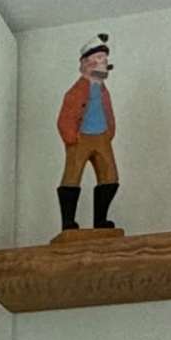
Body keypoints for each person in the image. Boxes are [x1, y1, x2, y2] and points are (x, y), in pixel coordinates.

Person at [57, 37, 118, 232]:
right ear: (86, 62)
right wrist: (70, 136)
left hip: (101, 137)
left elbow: (108, 112)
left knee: (110, 177)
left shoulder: (102, 90)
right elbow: (65, 116)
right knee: (72, 176)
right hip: (80, 136)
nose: (104, 62)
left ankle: (101, 220)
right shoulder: (75, 91)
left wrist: (109, 133)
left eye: (104, 58)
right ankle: (68, 222)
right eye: (99, 57)